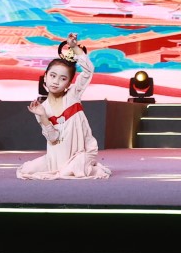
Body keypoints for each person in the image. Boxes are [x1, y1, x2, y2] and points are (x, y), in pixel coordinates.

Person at [18, 33, 111, 180]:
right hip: (56, 158)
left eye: (63, 79)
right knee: (27, 170)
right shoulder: (42, 108)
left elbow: (88, 71)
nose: (56, 82)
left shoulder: (73, 95)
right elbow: (53, 138)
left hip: (81, 153)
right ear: (45, 76)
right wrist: (42, 115)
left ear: (68, 83)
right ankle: (67, 169)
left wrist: (74, 47)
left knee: (69, 172)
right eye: (52, 76)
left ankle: (89, 166)